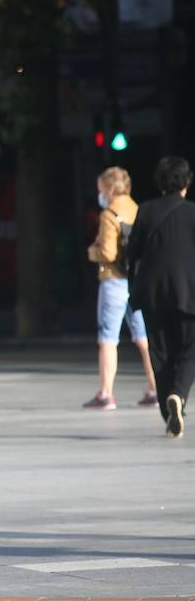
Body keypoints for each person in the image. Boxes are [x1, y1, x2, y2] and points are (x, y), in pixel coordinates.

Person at [127, 156, 195, 439]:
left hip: (152, 293)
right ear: (186, 182)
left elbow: (133, 253)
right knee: (189, 349)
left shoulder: (145, 211)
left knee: (160, 353)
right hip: (188, 292)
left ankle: (168, 411)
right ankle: (178, 396)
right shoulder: (193, 212)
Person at [83, 167, 158, 410]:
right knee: (143, 336)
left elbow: (108, 252)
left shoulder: (109, 213)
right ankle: (156, 387)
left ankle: (105, 393)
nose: (100, 194)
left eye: (101, 189)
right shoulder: (137, 210)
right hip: (136, 280)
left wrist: (91, 252)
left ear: (109, 188)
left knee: (108, 337)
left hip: (114, 279)